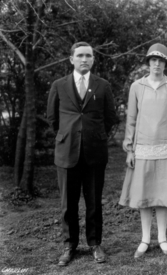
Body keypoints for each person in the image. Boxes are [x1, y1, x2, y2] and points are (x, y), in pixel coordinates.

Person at [47, 41, 119, 266]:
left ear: (93, 59)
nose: (84, 59)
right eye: (80, 56)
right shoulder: (59, 85)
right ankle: (69, 246)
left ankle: (95, 244)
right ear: (71, 59)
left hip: (95, 153)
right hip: (66, 152)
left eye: (88, 55)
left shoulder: (103, 85)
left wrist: (95, 136)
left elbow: (110, 118)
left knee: (94, 202)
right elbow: (52, 119)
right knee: (68, 204)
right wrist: (67, 136)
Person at [119, 43, 167, 258]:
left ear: (166, 63)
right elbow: (131, 119)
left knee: (163, 196)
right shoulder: (137, 86)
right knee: (145, 195)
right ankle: (145, 239)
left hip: (166, 147)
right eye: (153, 60)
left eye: (161, 60)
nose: (157, 64)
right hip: (143, 148)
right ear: (148, 63)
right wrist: (130, 149)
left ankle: (163, 238)